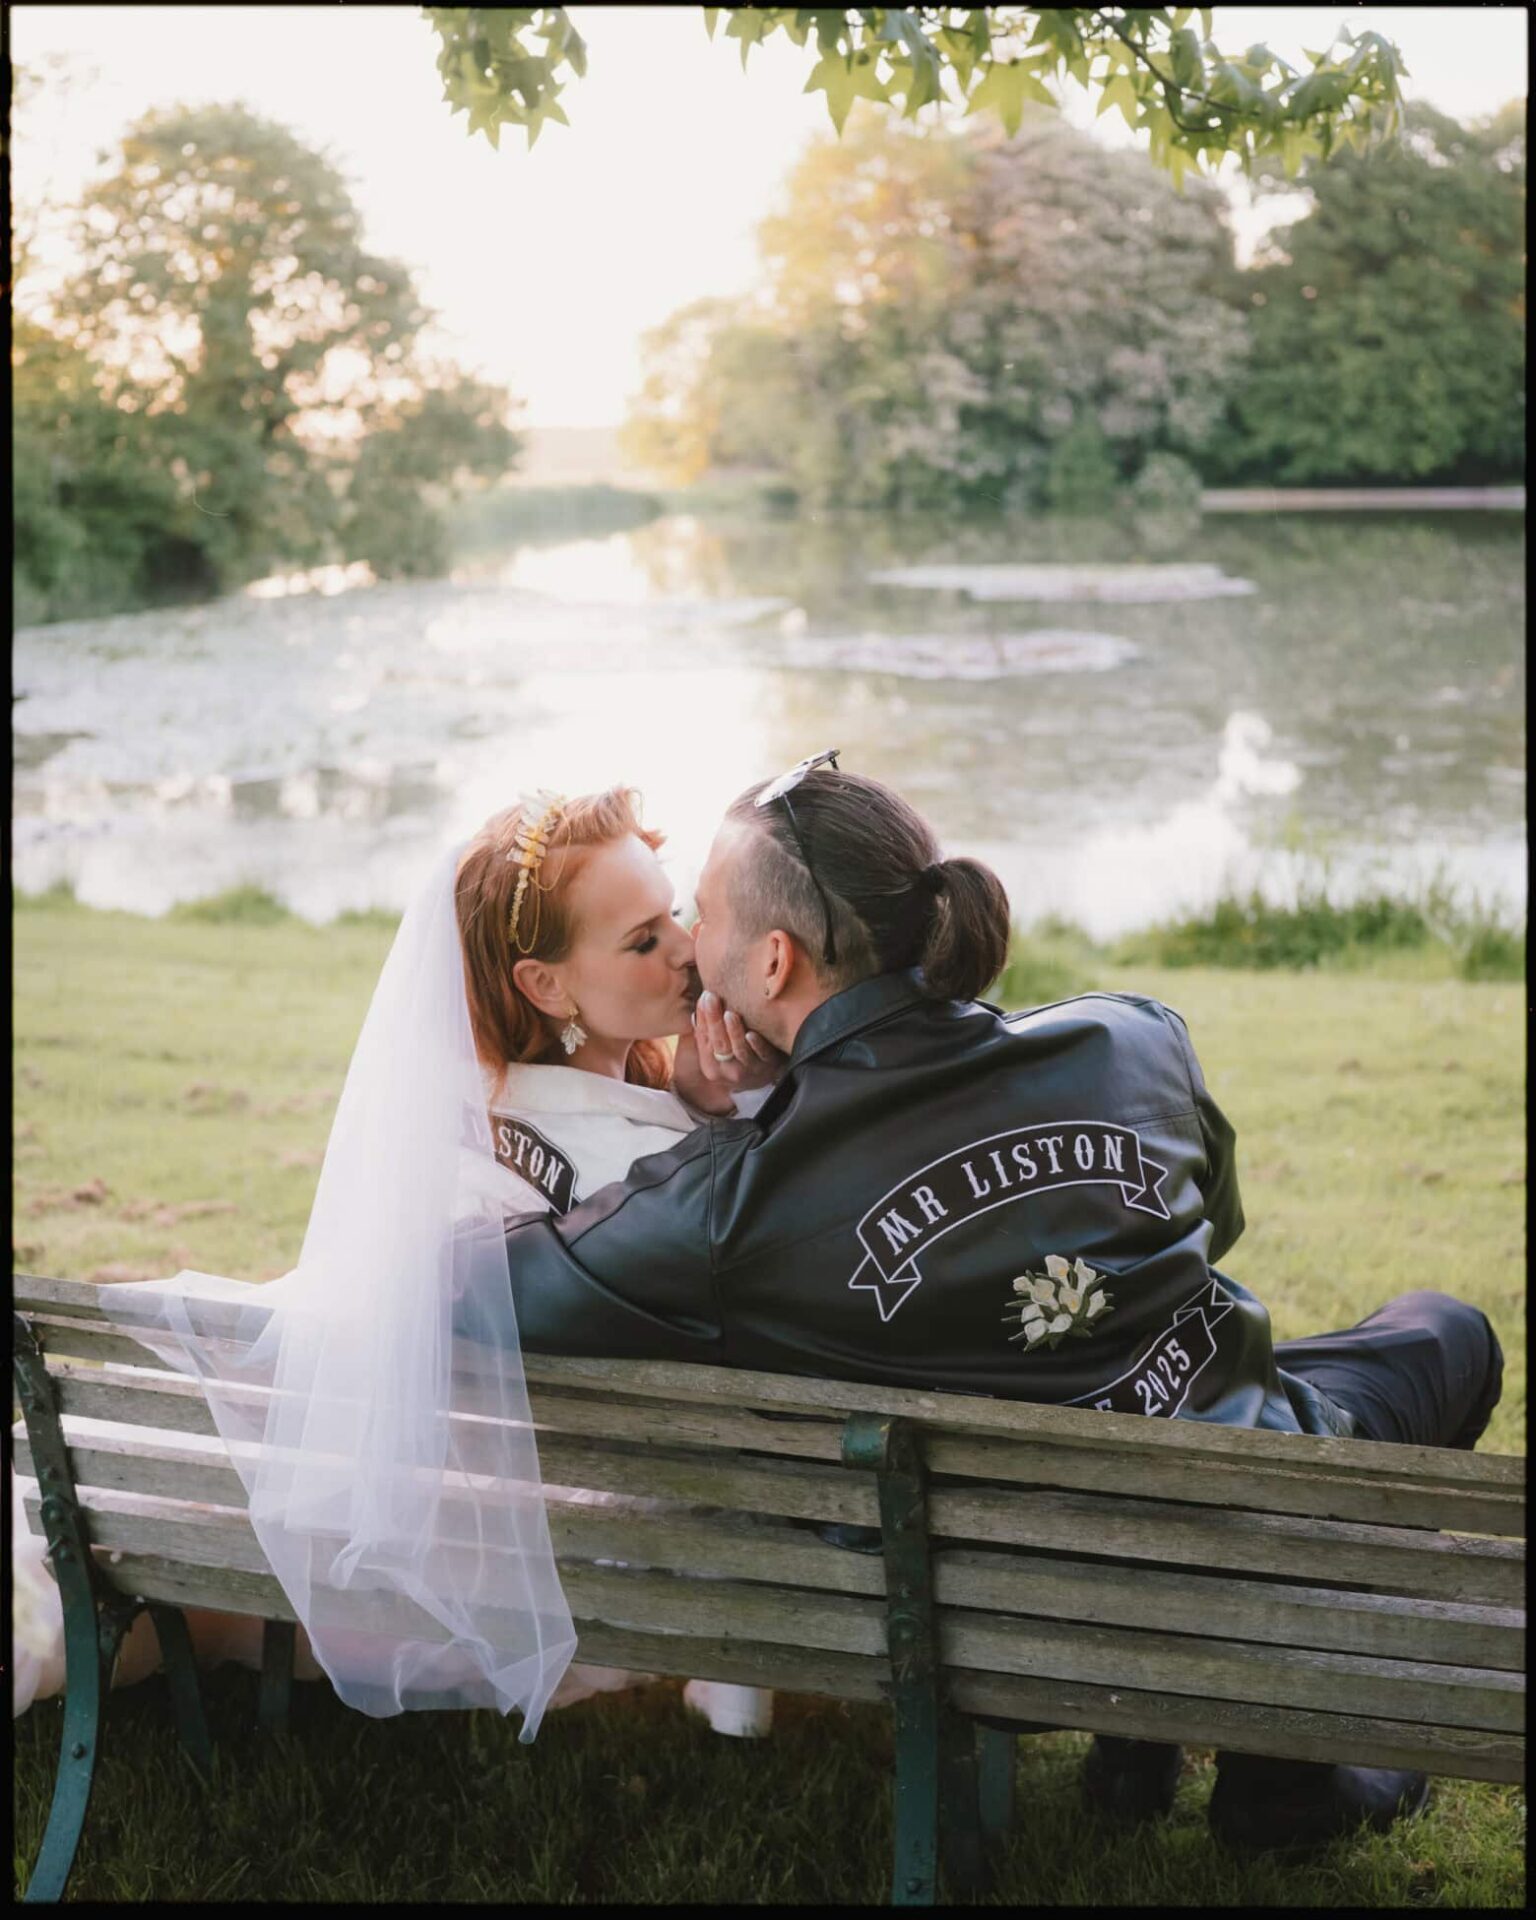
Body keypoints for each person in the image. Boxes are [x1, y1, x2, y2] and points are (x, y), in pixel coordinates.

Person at [493, 751, 1506, 1856]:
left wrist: (728, 1131)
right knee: (1446, 1334)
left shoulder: (729, 1210)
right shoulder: (1131, 1042)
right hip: (1234, 1535)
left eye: (703, 918)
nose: (692, 946)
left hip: (995, 1625)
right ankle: (1280, 1778)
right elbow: (1215, 1224)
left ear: (772, 961)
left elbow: (492, 1291)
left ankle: (1189, 1750)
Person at [20, 787, 774, 1739]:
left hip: (427, 1497)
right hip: (574, 1532)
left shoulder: (460, 1125)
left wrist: (696, 1102)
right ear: (544, 985)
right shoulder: (669, 1170)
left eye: (675, 914)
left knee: (137, 1533)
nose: (685, 948)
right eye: (641, 939)